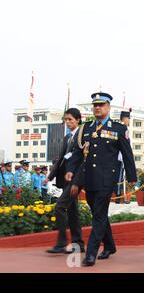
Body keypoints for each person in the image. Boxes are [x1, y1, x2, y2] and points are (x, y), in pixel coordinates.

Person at [66, 92, 137, 267]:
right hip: (89, 179)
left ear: (108, 107)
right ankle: (111, 246)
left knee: (98, 216)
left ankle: (91, 254)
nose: (98, 108)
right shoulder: (86, 128)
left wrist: (132, 176)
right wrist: (70, 171)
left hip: (107, 179)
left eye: (101, 105)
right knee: (99, 214)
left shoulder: (119, 129)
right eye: (95, 105)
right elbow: (77, 152)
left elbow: (127, 154)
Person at [46, 108, 85, 254]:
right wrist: (49, 177)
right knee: (73, 211)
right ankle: (79, 243)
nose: (67, 122)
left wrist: (77, 180)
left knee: (60, 207)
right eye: (66, 120)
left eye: (70, 119)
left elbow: (83, 160)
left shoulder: (82, 136)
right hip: (66, 180)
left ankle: (62, 242)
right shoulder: (67, 137)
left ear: (77, 120)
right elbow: (61, 159)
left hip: (76, 179)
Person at [116, 109, 131, 204]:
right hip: (120, 157)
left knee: (121, 178)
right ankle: (118, 197)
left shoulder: (119, 127)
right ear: (124, 118)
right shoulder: (123, 128)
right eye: (128, 118)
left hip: (119, 157)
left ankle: (119, 196)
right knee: (119, 178)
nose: (129, 120)